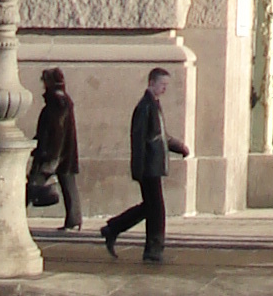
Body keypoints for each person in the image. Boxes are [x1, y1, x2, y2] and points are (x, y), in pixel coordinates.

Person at [102, 67, 186, 265]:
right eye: (162, 85)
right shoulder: (145, 106)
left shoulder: (154, 105)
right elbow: (138, 139)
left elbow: (160, 136)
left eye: (166, 85)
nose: (165, 89)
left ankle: (113, 229)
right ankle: (153, 249)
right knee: (156, 209)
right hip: (148, 166)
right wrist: (138, 169)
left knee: (149, 207)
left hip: (154, 164)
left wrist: (179, 147)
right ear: (151, 83)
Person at [31, 66, 82, 232]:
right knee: (68, 184)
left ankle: (12, 216)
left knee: (33, 184)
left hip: (54, 153)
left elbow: (56, 130)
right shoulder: (63, 100)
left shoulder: (56, 101)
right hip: (64, 151)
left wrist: (48, 153)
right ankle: (74, 220)